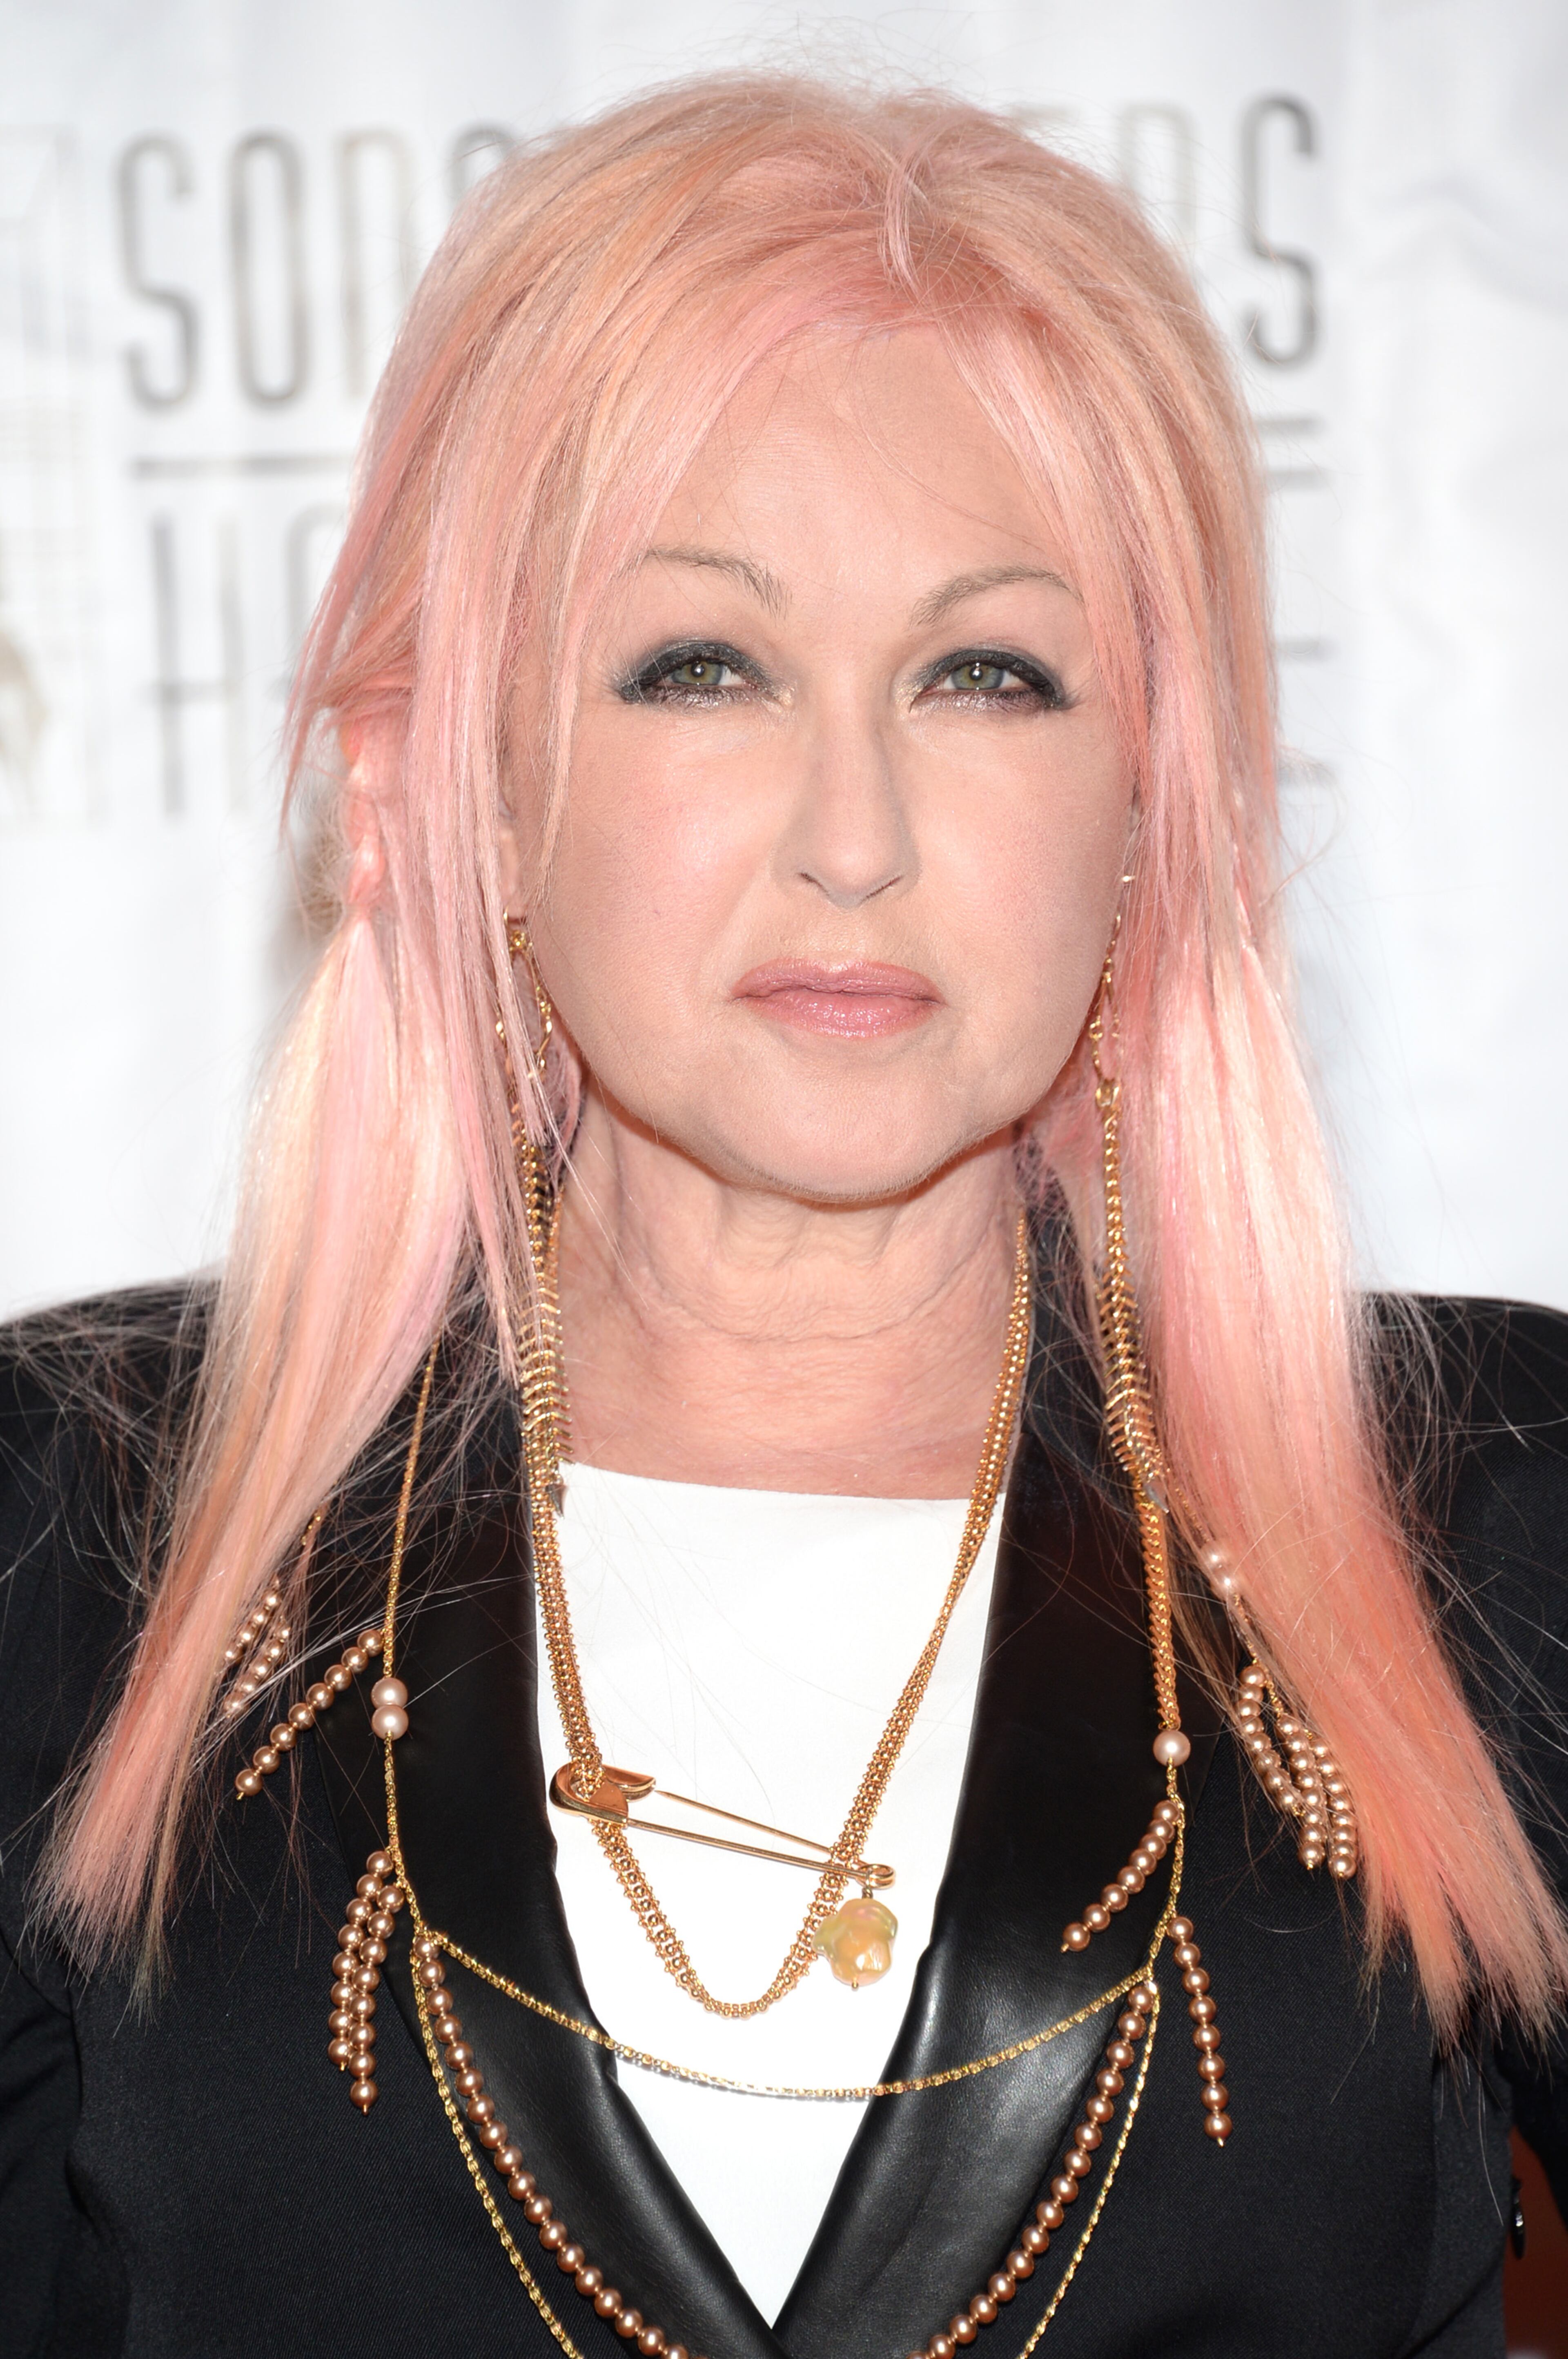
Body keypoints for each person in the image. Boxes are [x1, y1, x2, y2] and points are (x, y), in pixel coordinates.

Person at [2, 75, 1566, 2359]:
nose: (856, 829)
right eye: (702, 666)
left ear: (1154, 803)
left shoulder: (1479, 1510)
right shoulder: (69, 1527)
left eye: (988, 674)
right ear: (441, 788)